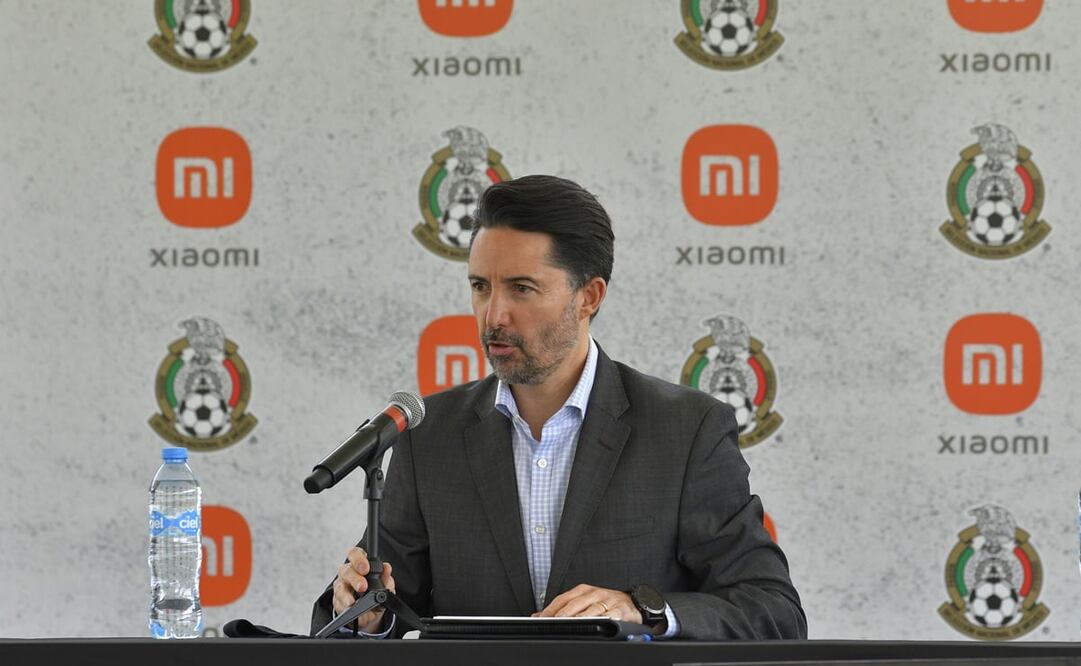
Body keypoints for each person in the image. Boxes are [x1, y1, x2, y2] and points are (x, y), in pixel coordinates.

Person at [311, 175, 806, 640]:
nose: (494, 315)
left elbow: (771, 609)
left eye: (521, 288)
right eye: (481, 287)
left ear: (589, 296)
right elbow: (386, 604)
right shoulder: (428, 434)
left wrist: (642, 609)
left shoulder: (685, 429)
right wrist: (366, 615)